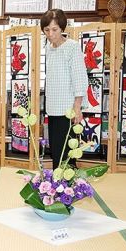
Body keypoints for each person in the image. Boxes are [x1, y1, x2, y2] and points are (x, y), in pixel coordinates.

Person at [40, 9, 88, 170]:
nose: (50, 34)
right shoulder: (48, 47)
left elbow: (80, 78)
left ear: (62, 28)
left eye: (54, 29)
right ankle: (57, 184)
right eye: (47, 30)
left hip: (68, 108)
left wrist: (77, 107)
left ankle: (68, 186)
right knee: (55, 147)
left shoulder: (72, 47)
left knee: (67, 149)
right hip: (53, 106)